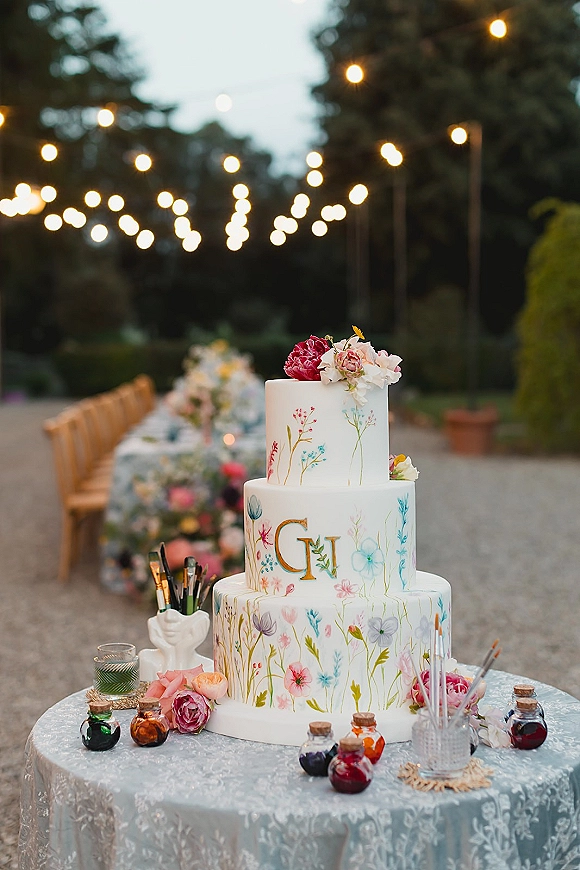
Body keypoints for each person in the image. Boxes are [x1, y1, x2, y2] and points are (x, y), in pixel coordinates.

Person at [138, 608, 210, 681]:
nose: (169, 617)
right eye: (164, 613)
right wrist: (169, 653)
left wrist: (182, 652)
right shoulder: (147, 659)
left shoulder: (209, 668)